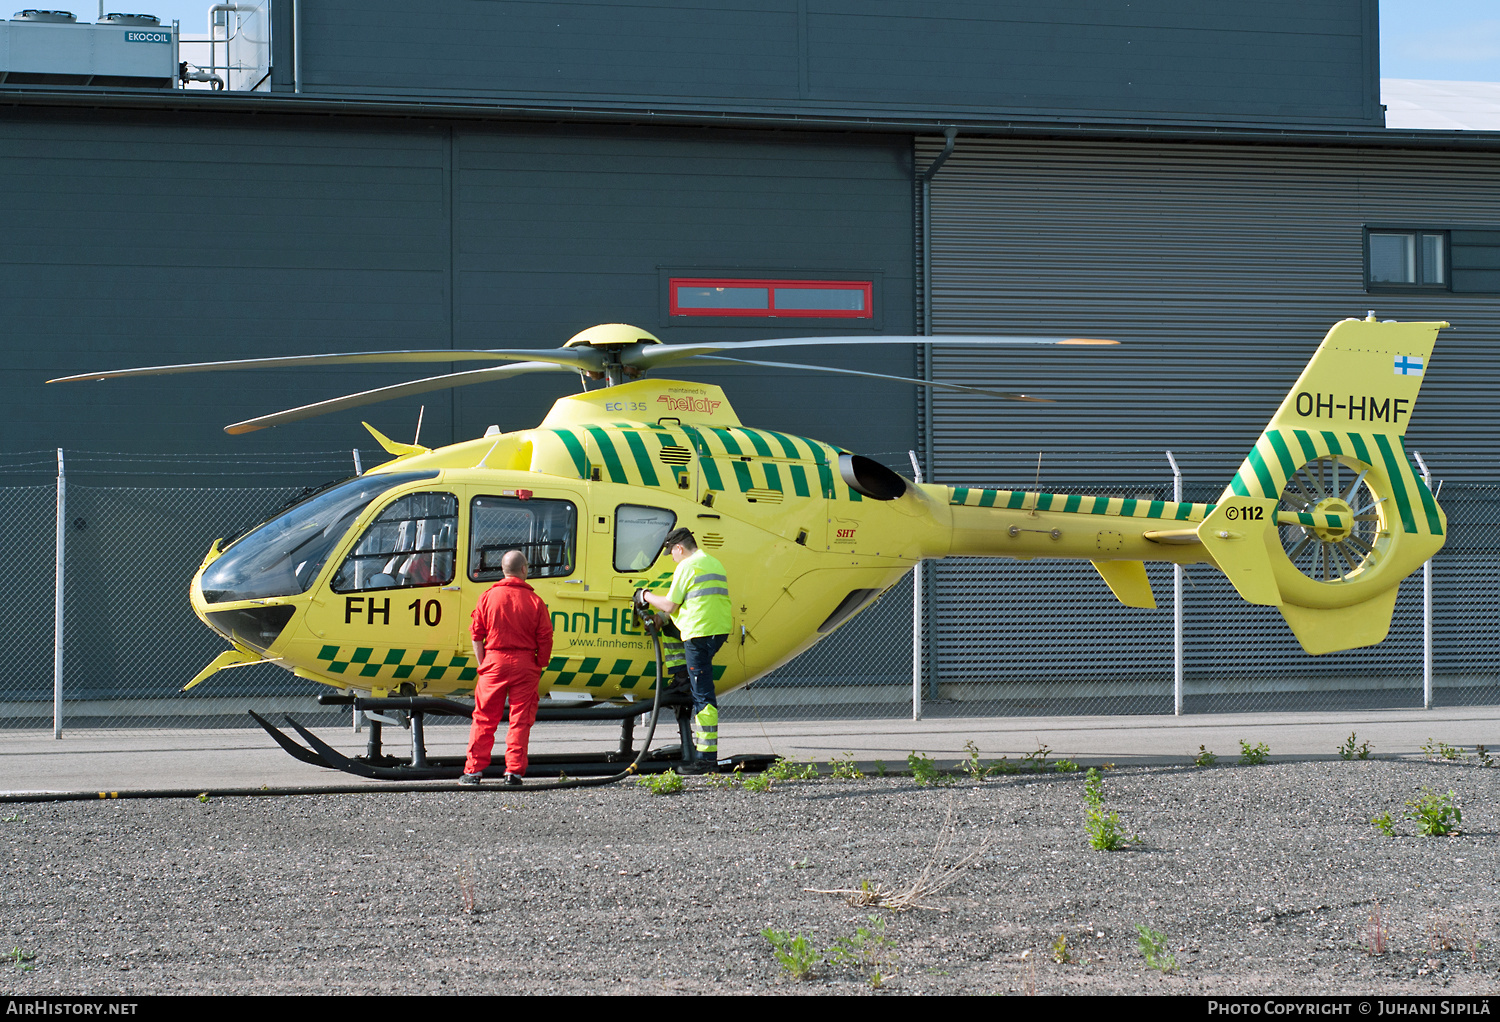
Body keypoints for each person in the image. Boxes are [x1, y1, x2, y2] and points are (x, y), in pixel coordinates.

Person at [640, 528, 731, 771]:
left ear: (679, 548)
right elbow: (691, 603)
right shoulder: (713, 562)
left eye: (672, 553)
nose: (672, 558)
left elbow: (670, 603)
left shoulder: (686, 566)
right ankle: (682, 677)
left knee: (703, 697)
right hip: (717, 631)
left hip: (699, 635)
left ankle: (706, 759)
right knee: (669, 629)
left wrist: (646, 596)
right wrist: (662, 618)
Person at [460, 550, 553, 787]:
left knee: (484, 718)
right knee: (520, 720)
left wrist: (484, 663)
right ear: (524, 570)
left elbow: (476, 634)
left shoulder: (487, 597)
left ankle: (473, 772)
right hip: (525, 665)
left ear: (503, 570)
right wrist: (539, 663)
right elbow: (545, 637)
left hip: (494, 662)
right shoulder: (535, 601)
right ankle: (513, 773)